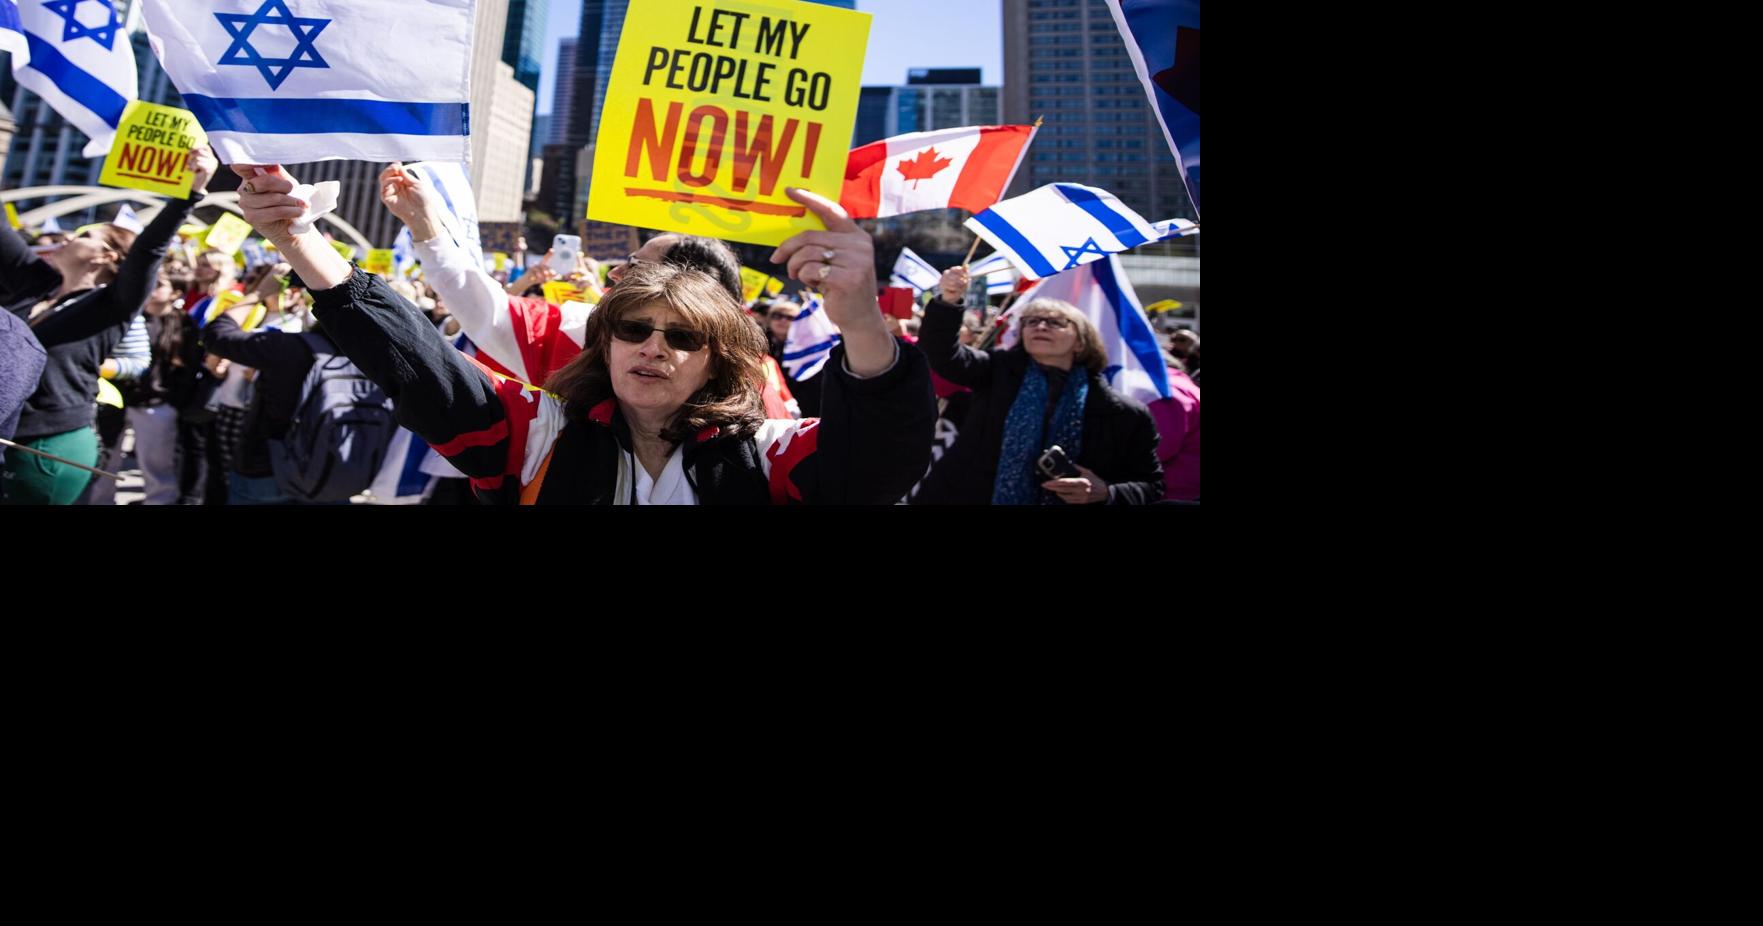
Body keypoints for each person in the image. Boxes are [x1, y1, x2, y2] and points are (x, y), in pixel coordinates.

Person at [234, 162, 935, 505]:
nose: (653, 347)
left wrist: (861, 321)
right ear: (605, 339)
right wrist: (299, 239)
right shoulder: (537, 433)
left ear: (721, 356)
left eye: (683, 337)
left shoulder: (769, 451)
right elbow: (413, 357)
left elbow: (878, 462)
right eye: (633, 326)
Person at [0, 145, 218, 504]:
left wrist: (189, 194)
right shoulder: (36, 284)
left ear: (107, 256)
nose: (69, 236)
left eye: (85, 236)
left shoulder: (108, 306)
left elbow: (147, 252)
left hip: (47, 444)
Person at [912, 266, 1163, 505]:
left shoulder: (1123, 413)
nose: (1040, 326)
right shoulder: (994, 371)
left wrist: (1107, 492)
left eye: (1055, 322)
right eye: (1031, 321)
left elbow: (1151, 486)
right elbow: (940, 353)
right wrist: (949, 301)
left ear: (1081, 342)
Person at [122, 267, 203, 504]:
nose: (151, 289)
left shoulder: (184, 324)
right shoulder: (132, 318)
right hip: (121, 401)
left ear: (175, 293)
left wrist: (173, 400)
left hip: (157, 405)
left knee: (157, 468)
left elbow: (189, 368)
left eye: (159, 285)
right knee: (106, 463)